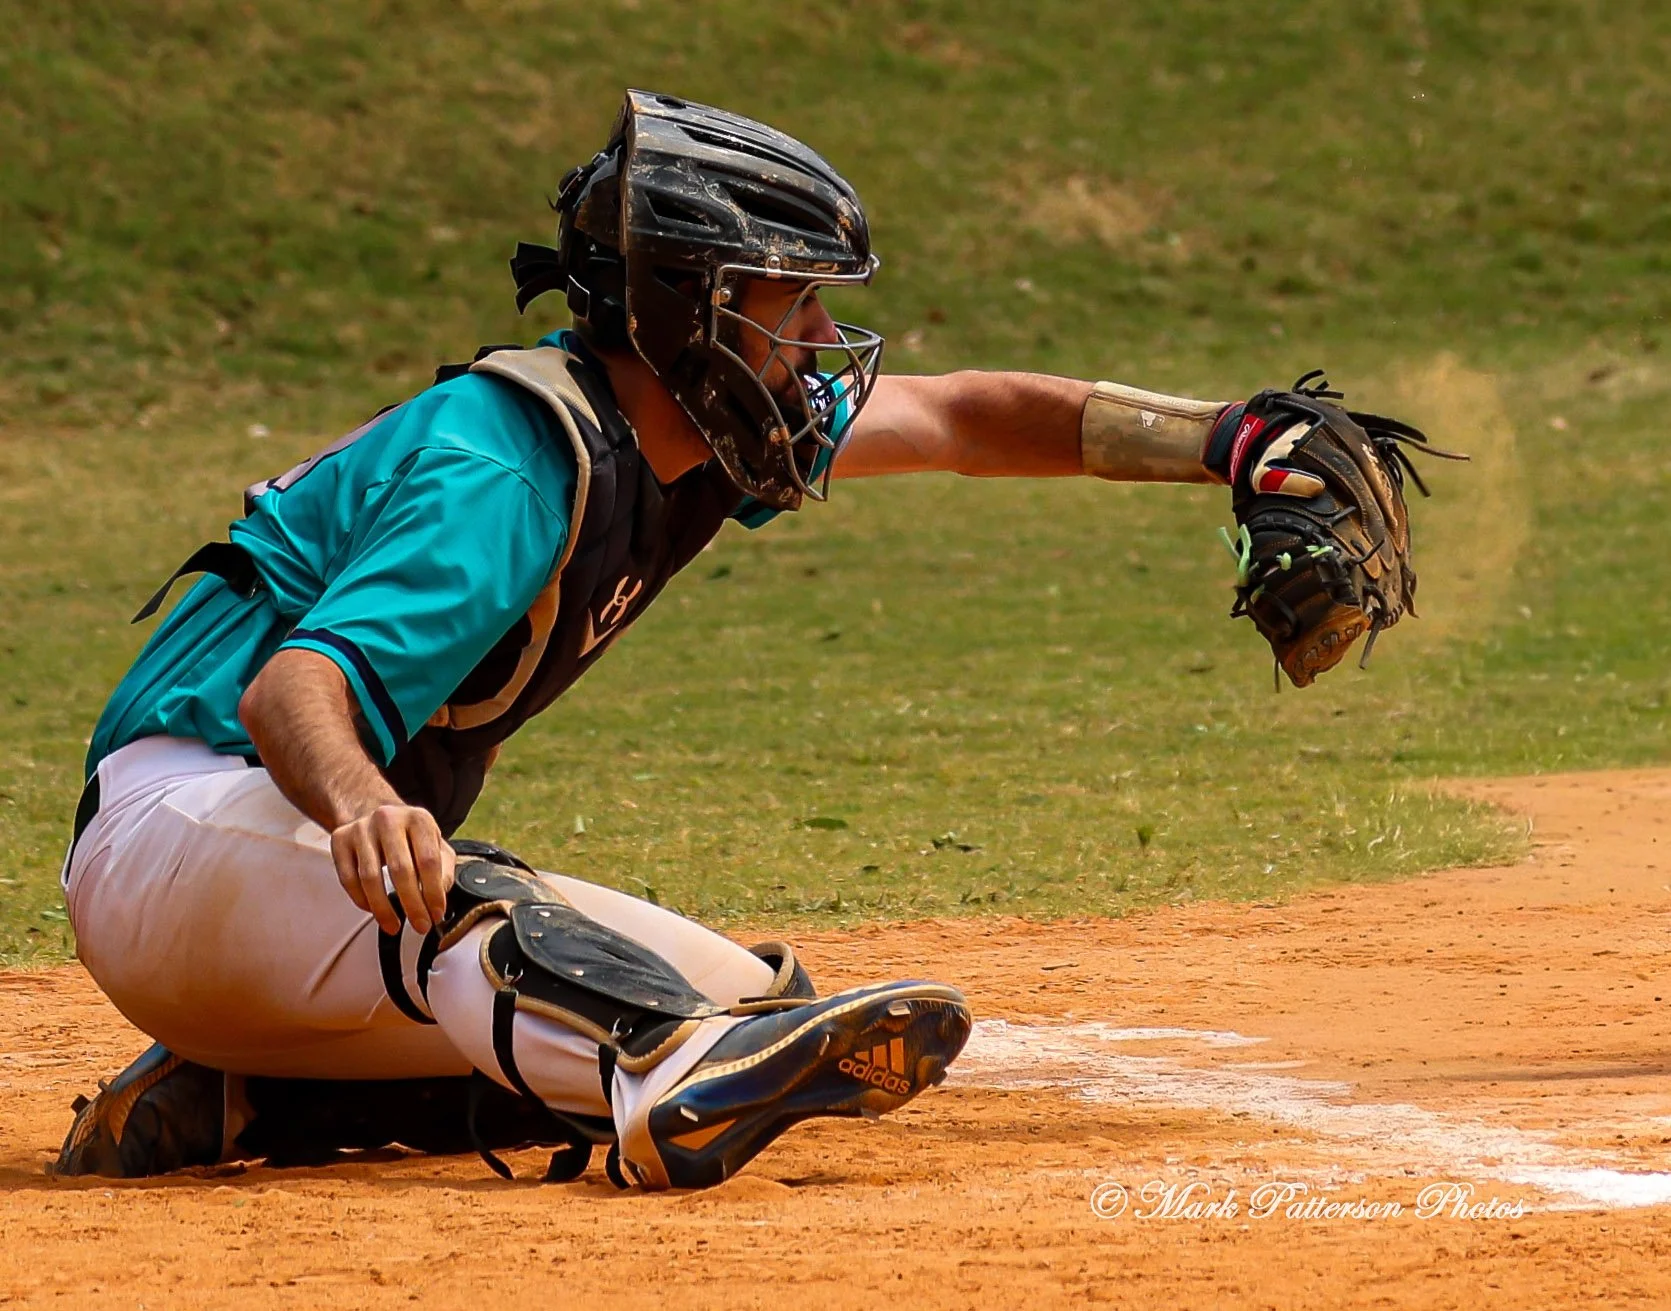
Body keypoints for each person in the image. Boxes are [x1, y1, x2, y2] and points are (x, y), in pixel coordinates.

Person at [53, 89, 1271, 1188]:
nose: (814, 344)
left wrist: (1227, 442)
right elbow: (294, 689)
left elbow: (956, 417)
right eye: (793, 303)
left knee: (751, 1005)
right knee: (567, 967)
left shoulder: (686, 439)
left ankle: (248, 1095)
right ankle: (660, 1082)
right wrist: (365, 805)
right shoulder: (512, 469)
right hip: (184, 834)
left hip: (285, 900)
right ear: (696, 309)